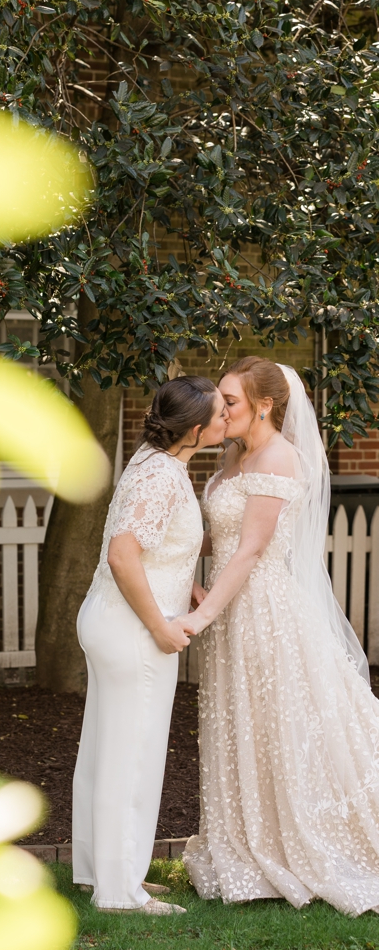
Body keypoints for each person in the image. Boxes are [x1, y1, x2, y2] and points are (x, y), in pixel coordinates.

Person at [178, 358, 379, 913]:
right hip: (228, 609)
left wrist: (200, 616)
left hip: (264, 612)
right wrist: (190, 588)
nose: (221, 410)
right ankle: (249, 838)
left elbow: (250, 550)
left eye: (231, 401)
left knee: (282, 725)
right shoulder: (232, 456)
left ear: (265, 405)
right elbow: (217, 540)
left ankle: (303, 841)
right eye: (221, 400)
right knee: (243, 723)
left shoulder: (280, 457)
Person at [72, 375, 227, 914]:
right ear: (197, 428)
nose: (228, 420)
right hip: (133, 630)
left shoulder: (155, 462)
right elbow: (122, 554)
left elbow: (158, 544)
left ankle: (104, 871)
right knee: (131, 755)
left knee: (106, 749)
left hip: (111, 622)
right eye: (220, 415)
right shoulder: (162, 475)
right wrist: (162, 625)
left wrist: (191, 580)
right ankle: (120, 892)